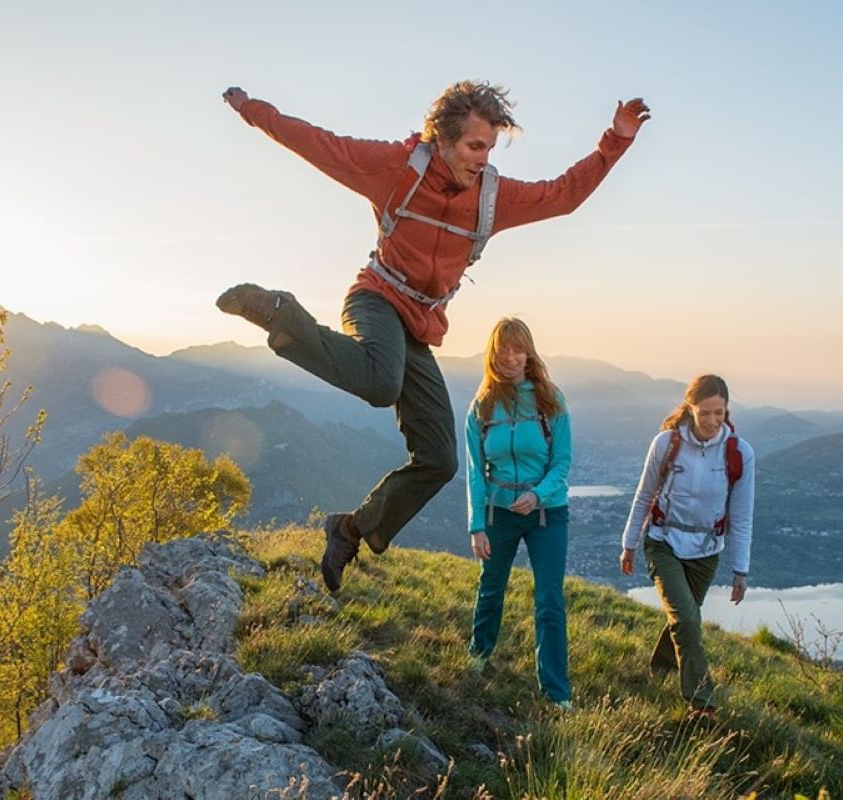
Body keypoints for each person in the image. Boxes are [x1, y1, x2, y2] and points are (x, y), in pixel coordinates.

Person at [216, 81, 650, 592]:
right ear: (440, 139)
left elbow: (562, 196)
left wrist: (614, 142)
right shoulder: (396, 170)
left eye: (489, 147)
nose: (483, 159)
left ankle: (350, 529)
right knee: (380, 383)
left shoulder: (492, 196)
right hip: (376, 297)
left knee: (441, 459)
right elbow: (316, 142)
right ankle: (280, 313)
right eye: (474, 147)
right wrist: (251, 110)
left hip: (418, 324)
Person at [620, 375, 756, 719]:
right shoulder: (667, 443)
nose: (712, 421)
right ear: (691, 408)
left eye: (719, 413)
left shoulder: (739, 453)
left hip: (706, 551)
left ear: (727, 411)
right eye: (705, 413)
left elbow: (741, 515)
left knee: (686, 618)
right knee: (687, 621)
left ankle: (661, 668)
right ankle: (702, 702)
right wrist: (630, 544)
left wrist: (741, 570)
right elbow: (644, 494)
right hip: (663, 542)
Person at [464, 318, 573, 709]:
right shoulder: (482, 407)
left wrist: (538, 494)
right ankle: (479, 654)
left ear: (529, 353)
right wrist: (477, 525)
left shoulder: (551, 401)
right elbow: (477, 472)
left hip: (547, 513)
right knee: (491, 587)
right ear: (493, 354)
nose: (511, 357)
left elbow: (562, 462)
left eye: (518, 349)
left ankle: (557, 692)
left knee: (549, 600)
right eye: (503, 350)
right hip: (499, 512)